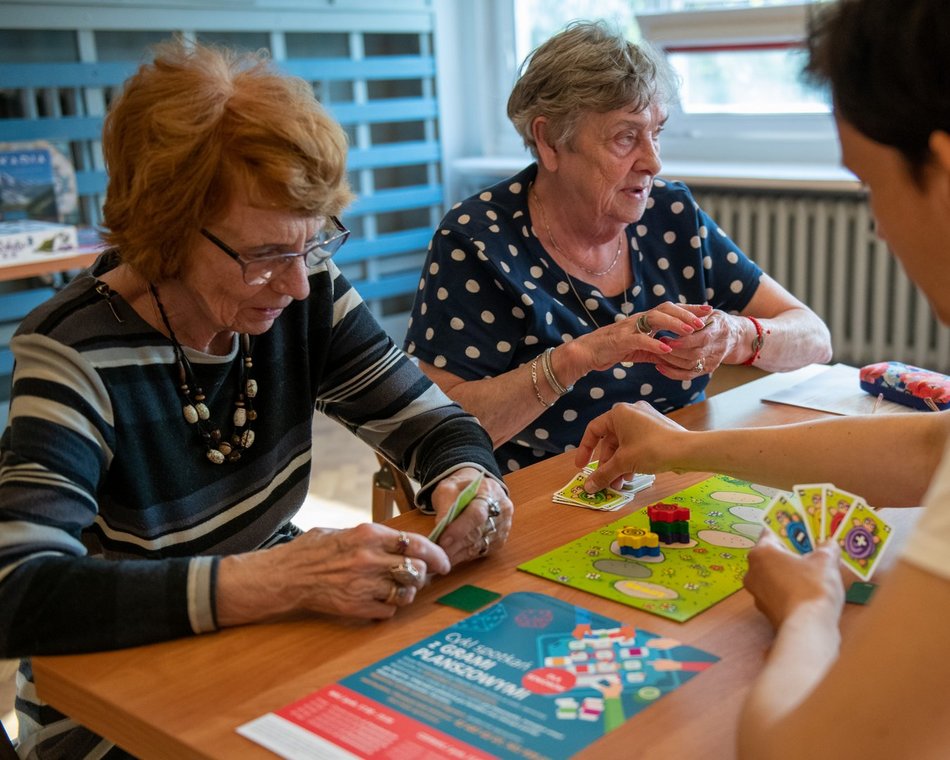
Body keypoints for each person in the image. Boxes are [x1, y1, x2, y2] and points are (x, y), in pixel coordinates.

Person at [0, 39, 513, 758]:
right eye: (266, 256)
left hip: (270, 652)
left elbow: (434, 423)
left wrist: (469, 482)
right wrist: (276, 579)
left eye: (311, 246)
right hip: (116, 712)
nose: (299, 284)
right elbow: (20, 592)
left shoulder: (300, 297)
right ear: (167, 230)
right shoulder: (73, 351)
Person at [575, 2, 950, 755]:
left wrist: (810, 608)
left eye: (870, 186)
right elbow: (929, 451)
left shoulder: (674, 215)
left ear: (940, 177)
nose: (878, 226)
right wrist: (676, 450)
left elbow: (796, 749)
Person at [403, 20, 832, 474]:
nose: (653, 160)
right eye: (625, 137)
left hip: (675, 474)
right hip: (545, 493)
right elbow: (432, 428)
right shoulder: (479, 241)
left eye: (657, 132)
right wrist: (575, 359)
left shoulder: (671, 214)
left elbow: (814, 339)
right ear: (549, 140)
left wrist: (737, 335)